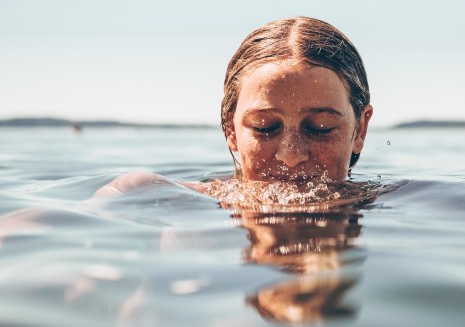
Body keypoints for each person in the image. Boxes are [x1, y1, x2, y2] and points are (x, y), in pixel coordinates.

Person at [98, 16, 373, 199]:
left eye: (319, 127)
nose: (291, 155)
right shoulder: (162, 197)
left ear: (359, 130)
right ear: (231, 129)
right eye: (265, 127)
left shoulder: (395, 203)